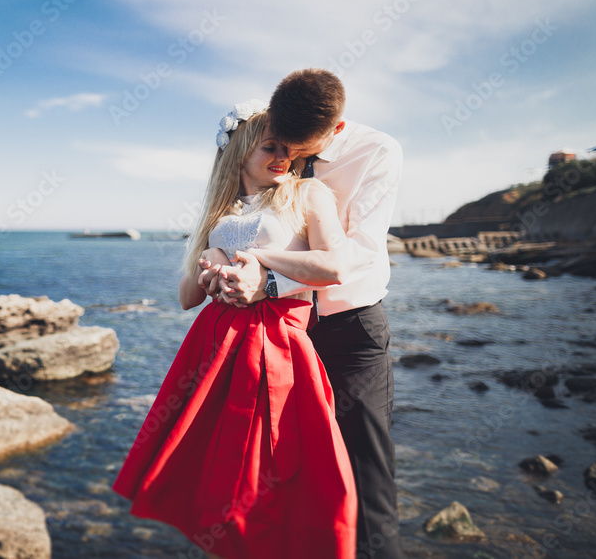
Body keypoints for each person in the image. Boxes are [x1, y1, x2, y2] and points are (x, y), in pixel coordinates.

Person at [112, 102, 357, 558]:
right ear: (240, 153)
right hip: (216, 343)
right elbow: (187, 297)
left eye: (289, 148)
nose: (284, 157)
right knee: (216, 469)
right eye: (271, 147)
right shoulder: (219, 210)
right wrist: (207, 270)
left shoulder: (306, 193)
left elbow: (334, 266)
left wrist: (260, 261)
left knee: (282, 464)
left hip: (279, 340)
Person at [219, 69, 403, 559]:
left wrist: (269, 282)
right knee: (279, 471)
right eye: (283, 146)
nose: (289, 159)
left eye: (300, 150)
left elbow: (360, 253)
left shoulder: (378, 152)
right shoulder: (274, 139)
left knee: (364, 477)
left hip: (348, 331)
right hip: (278, 334)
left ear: (335, 131)